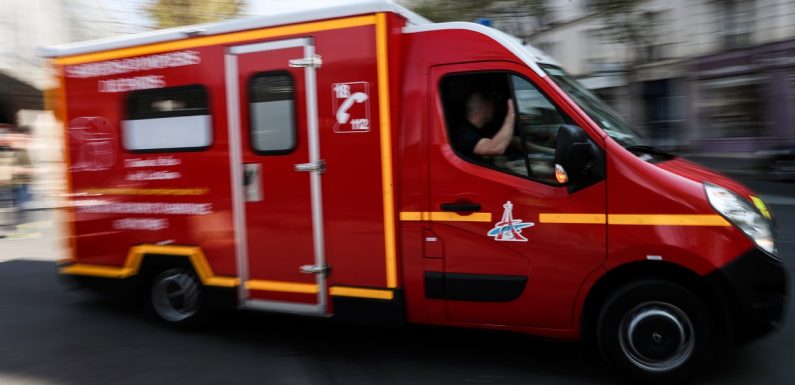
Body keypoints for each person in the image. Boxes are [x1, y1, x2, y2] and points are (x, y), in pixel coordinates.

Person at [454, 92, 516, 157]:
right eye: (492, 107)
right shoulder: (464, 134)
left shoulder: (478, 130)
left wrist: (512, 140)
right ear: (484, 108)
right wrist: (511, 113)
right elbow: (496, 148)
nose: (494, 110)